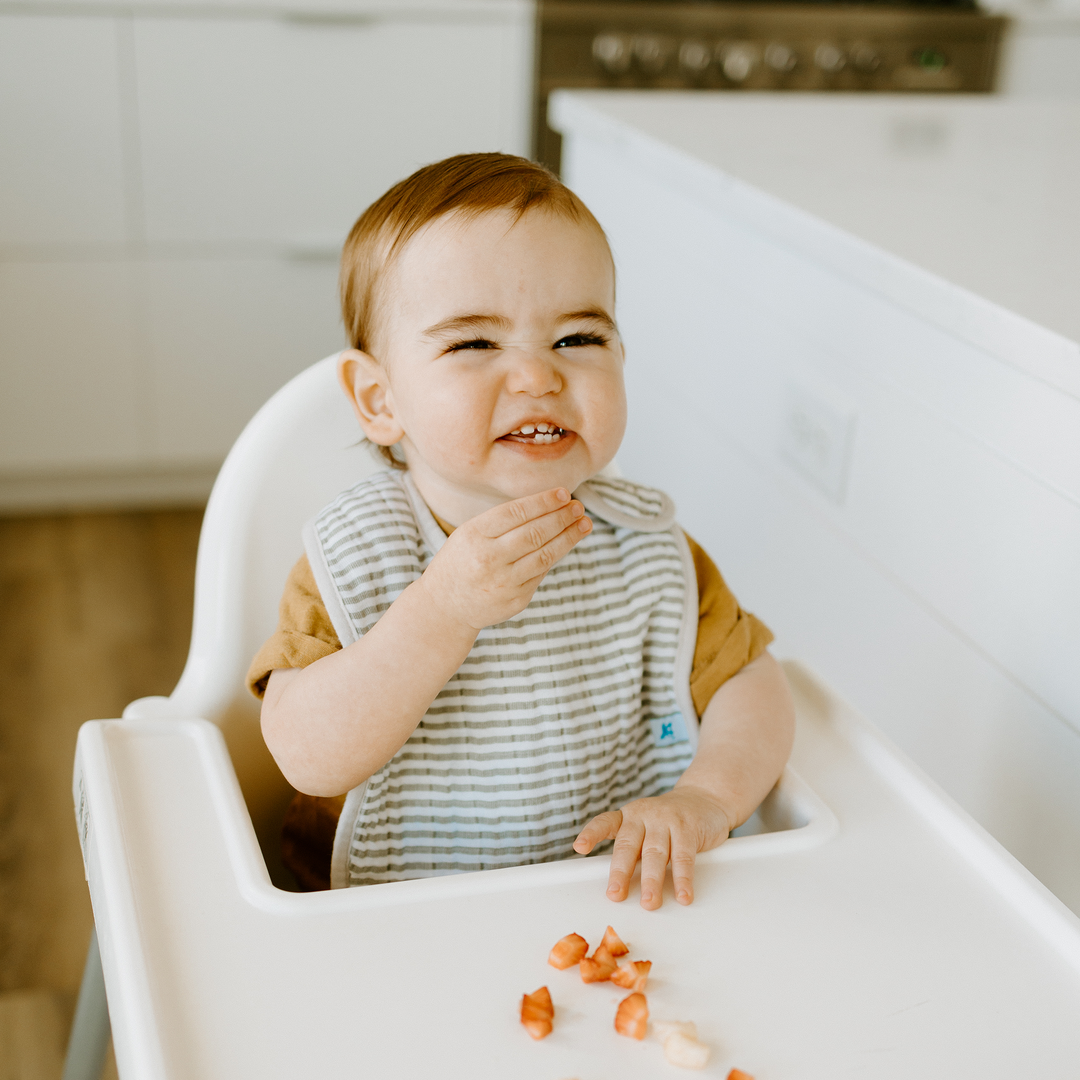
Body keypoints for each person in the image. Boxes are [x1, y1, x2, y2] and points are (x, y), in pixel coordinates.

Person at [247, 152, 794, 909]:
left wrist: (706, 798)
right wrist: (442, 610)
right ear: (379, 399)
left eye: (578, 340)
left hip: (616, 905)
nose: (540, 376)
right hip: (392, 920)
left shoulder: (645, 548)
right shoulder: (358, 553)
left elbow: (751, 685)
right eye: (475, 343)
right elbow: (307, 755)